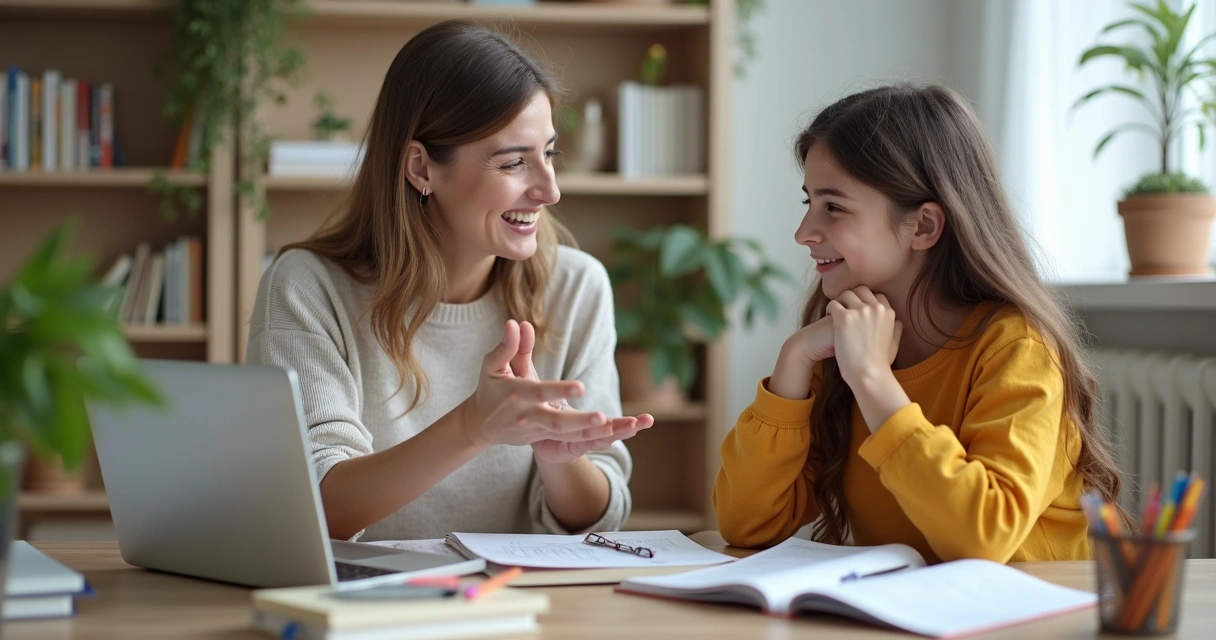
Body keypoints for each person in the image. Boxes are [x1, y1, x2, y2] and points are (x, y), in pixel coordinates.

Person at [247, 21, 653, 542]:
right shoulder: (307, 288)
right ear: (421, 167)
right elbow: (315, 507)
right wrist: (472, 426)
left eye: (549, 154)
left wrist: (559, 458)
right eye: (514, 163)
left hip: (519, 609)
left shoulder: (576, 287)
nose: (549, 190)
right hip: (365, 614)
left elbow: (602, 514)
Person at [713, 84, 1125, 563]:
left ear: (924, 226)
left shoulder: (1017, 349)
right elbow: (747, 525)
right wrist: (793, 361)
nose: (804, 233)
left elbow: (982, 537)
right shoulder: (841, 342)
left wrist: (872, 379)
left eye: (834, 206)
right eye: (809, 203)